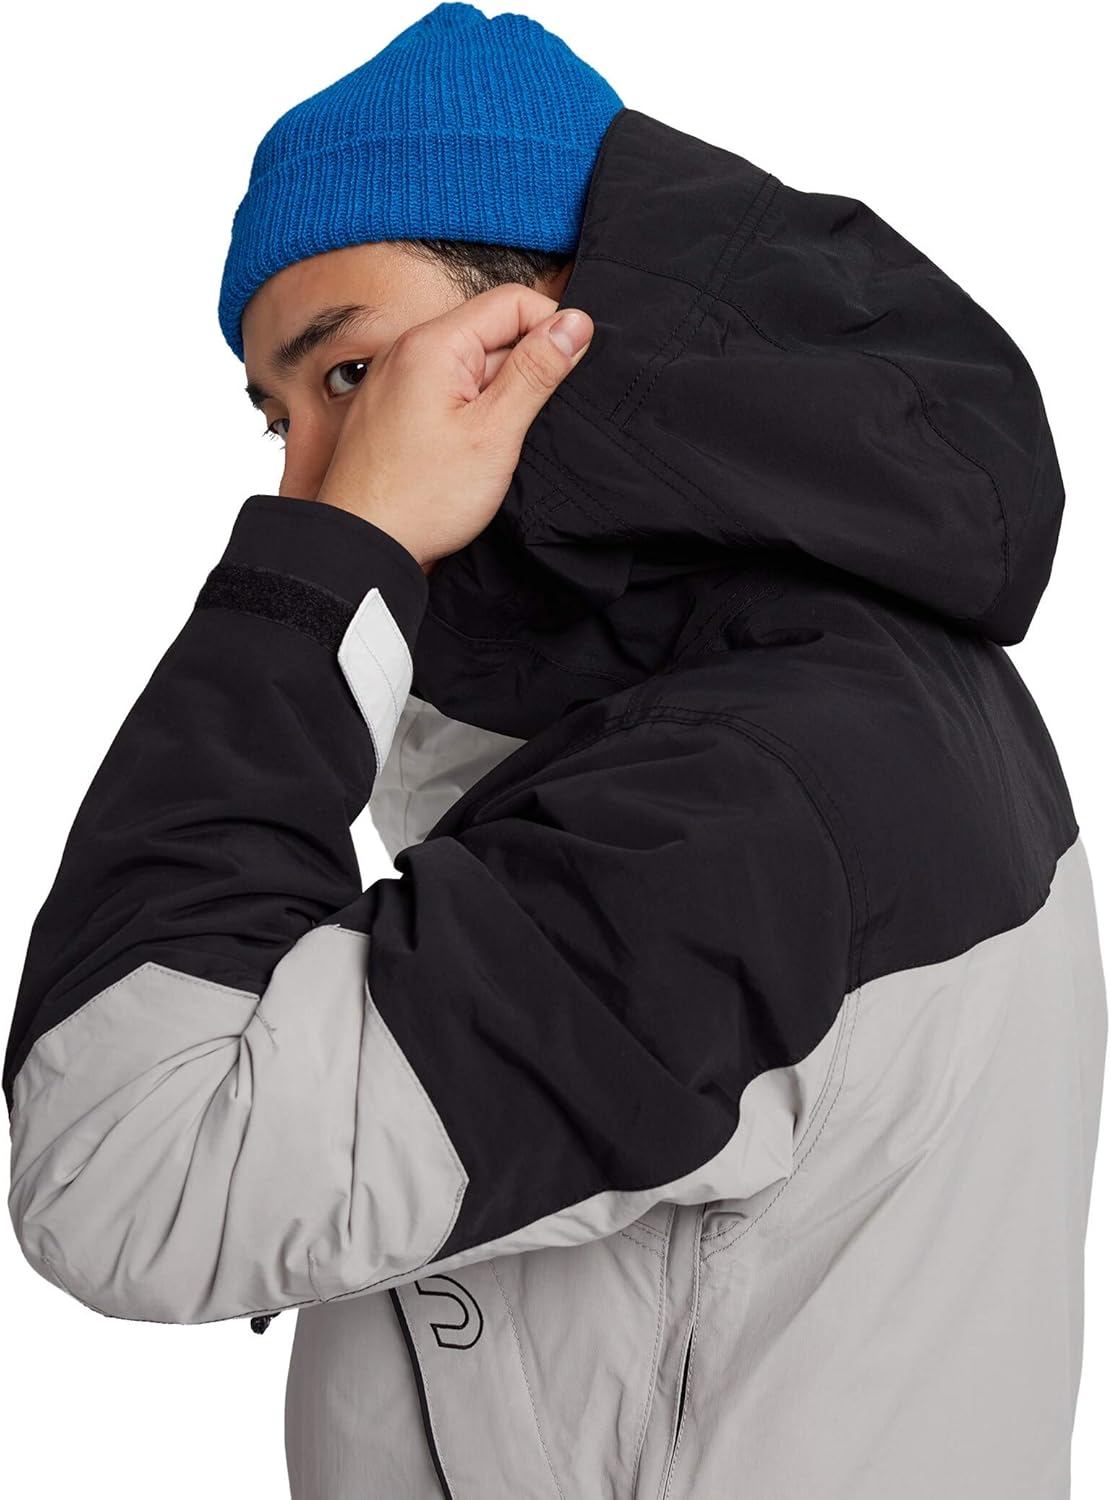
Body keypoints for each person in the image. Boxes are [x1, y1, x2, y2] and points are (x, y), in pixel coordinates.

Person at [4, 3, 1106, 1496]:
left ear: (549, 322)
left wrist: (322, 574)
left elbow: (133, 1165)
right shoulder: (822, 675)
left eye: (350, 375)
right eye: (276, 419)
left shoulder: (737, 792)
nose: (310, 477)